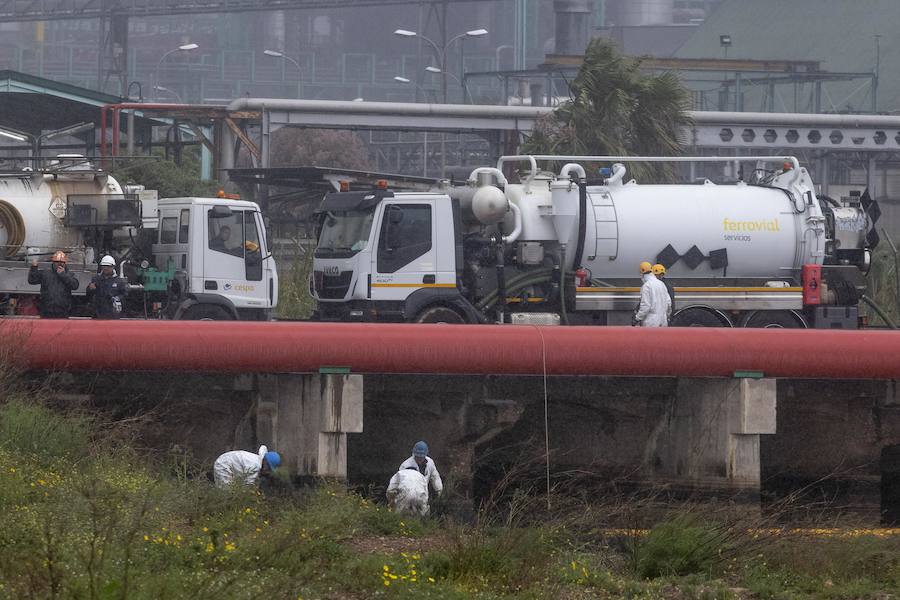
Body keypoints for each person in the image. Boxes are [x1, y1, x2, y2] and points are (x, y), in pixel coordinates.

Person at [27, 251, 79, 319]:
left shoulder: (69, 274)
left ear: (65, 263)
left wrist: (63, 275)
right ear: (53, 262)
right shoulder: (46, 273)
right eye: (57, 262)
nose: (59, 264)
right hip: (46, 310)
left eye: (62, 262)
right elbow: (32, 280)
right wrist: (34, 268)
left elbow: (75, 286)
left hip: (63, 311)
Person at [213, 445, 281, 488]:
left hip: (228, 463)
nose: (267, 471)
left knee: (232, 489)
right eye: (268, 469)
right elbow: (247, 487)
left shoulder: (256, 460)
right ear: (266, 464)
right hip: (223, 465)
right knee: (225, 492)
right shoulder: (255, 467)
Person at [87, 255, 128, 319]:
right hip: (98, 313)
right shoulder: (96, 279)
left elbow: (125, 294)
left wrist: (116, 298)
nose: (105, 268)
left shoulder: (119, 281)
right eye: (104, 266)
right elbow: (88, 294)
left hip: (113, 314)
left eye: (108, 266)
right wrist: (90, 288)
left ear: (113, 266)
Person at [634, 261, 671, 328]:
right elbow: (668, 303)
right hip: (663, 320)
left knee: (650, 338)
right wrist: (667, 315)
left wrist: (637, 318)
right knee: (662, 338)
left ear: (642, 274)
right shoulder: (661, 284)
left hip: (651, 321)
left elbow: (645, 306)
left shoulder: (646, 286)